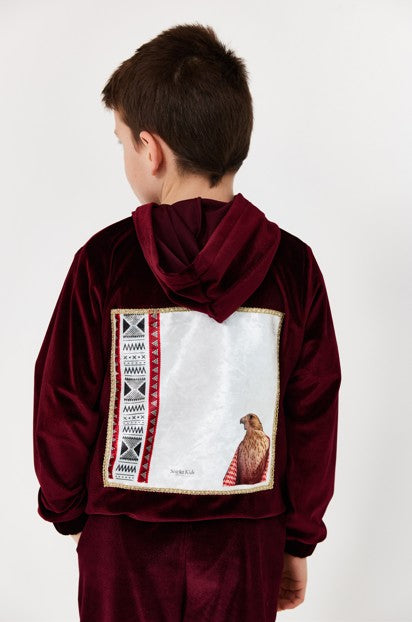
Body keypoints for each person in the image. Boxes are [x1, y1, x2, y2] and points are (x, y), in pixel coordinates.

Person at [33, 22, 342, 622]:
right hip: (246, 544)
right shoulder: (295, 268)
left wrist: (68, 512)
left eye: (123, 142)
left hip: (123, 542)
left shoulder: (104, 262)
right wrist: (298, 538)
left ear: (151, 151)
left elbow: (63, 398)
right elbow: (313, 413)